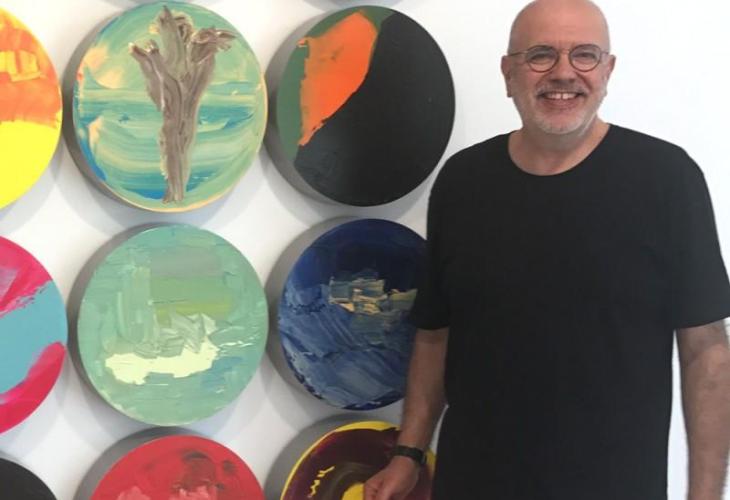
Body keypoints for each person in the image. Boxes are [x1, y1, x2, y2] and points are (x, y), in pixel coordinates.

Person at [363, 0, 730, 499]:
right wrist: (408, 454)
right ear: (508, 73)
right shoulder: (463, 182)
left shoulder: (666, 179)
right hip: (473, 483)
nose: (563, 73)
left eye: (584, 55)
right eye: (540, 55)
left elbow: (706, 352)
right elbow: (435, 336)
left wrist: (705, 495)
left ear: (608, 70)